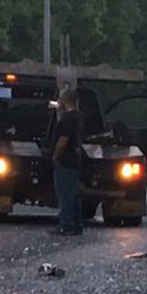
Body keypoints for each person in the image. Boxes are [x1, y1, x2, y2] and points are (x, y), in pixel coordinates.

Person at [50, 89, 84, 236]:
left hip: (65, 160)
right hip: (75, 160)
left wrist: (55, 157)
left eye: (60, 99)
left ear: (64, 100)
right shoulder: (80, 117)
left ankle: (66, 224)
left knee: (65, 193)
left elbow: (63, 141)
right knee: (73, 193)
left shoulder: (67, 119)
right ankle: (76, 223)